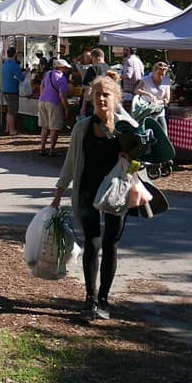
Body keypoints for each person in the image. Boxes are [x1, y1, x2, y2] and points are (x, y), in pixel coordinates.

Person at [50, 75, 133, 321]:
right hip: (87, 191)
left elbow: (140, 164)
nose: (101, 99)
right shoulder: (82, 128)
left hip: (116, 195)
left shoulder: (126, 127)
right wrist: (58, 194)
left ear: (116, 98)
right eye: (97, 94)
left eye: (106, 94)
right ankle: (90, 299)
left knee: (110, 245)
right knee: (93, 243)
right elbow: (70, 164)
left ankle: (104, 300)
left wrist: (129, 159)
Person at [38, 58, 72, 156]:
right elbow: (62, 95)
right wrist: (66, 108)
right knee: (54, 127)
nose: (66, 69)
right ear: (60, 68)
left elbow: (41, 86)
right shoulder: (62, 78)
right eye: (65, 68)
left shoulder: (48, 74)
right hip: (54, 102)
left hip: (42, 101)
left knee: (44, 126)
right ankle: (52, 150)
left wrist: (42, 96)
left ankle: (42, 148)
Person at [135, 61, 171, 132]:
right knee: (148, 132)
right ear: (154, 71)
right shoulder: (145, 79)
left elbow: (167, 99)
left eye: (163, 74)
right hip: (146, 111)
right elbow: (136, 90)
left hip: (159, 111)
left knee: (164, 133)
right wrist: (149, 94)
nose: (161, 76)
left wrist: (159, 102)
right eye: (159, 74)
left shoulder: (166, 81)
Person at [0, 47, 24, 137]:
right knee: (12, 112)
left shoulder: (5, 63)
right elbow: (21, 78)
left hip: (5, 89)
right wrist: (26, 72)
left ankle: (7, 128)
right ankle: (12, 130)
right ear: (15, 54)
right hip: (12, 90)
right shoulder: (14, 64)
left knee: (9, 111)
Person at [79, 49, 110, 118]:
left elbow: (88, 88)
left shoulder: (93, 68)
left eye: (92, 59)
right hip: (106, 102)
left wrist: (83, 106)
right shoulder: (110, 69)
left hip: (94, 103)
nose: (92, 61)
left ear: (95, 57)